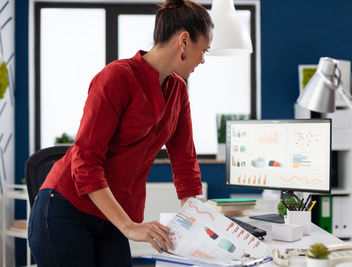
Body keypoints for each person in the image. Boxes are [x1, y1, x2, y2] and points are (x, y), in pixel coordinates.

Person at [28, 0, 214, 266]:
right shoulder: (116, 77)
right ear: (184, 41)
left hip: (112, 218)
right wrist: (128, 226)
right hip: (65, 211)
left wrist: (199, 224)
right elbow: (85, 161)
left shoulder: (178, 91)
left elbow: (184, 162)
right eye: (203, 50)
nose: (203, 60)